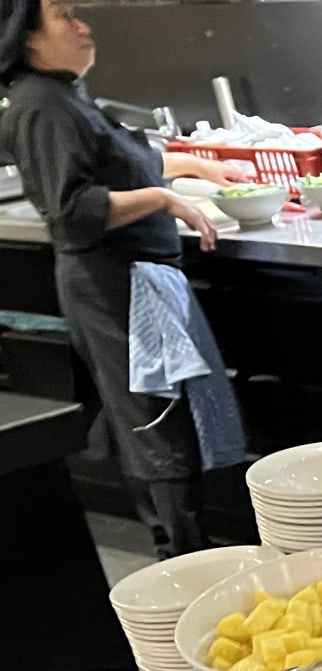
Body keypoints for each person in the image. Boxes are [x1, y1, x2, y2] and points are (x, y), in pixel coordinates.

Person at [0, 0, 250, 557]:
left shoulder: (65, 94)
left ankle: (193, 555)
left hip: (138, 280)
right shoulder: (40, 106)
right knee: (156, 425)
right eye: (64, 16)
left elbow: (120, 163)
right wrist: (164, 199)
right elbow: (74, 211)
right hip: (111, 286)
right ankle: (183, 563)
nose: (82, 25)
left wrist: (199, 166)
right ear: (26, 36)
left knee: (170, 421)